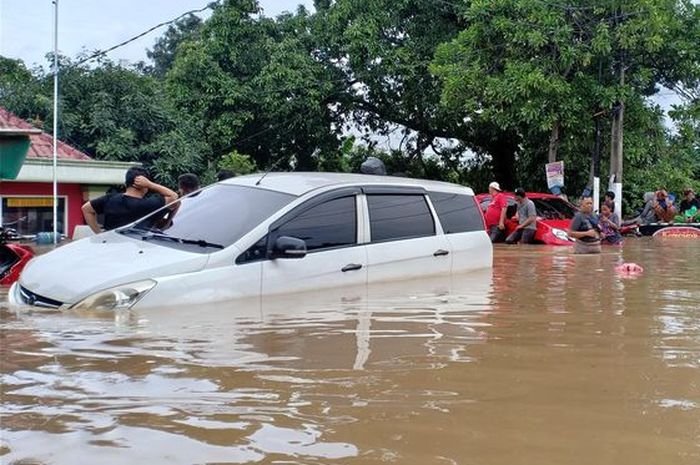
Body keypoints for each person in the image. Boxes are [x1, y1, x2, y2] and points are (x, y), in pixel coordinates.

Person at [82, 167, 178, 234]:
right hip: (137, 251)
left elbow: (86, 209)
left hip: (110, 247)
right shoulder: (149, 204)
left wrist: (98, 233)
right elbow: (174, 197)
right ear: (144, 185)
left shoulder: (109, 199)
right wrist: (150, 184)